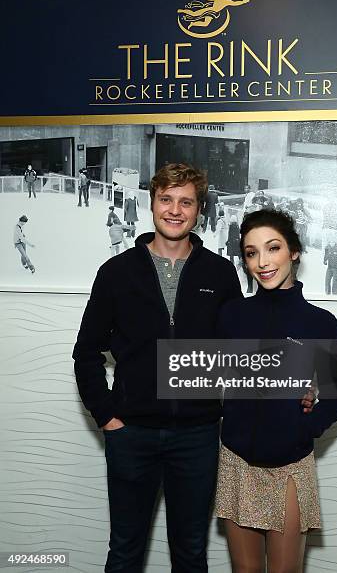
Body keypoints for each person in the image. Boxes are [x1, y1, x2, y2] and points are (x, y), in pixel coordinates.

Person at [72, 163, 243, 573]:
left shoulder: (219, 273)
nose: (175, 210)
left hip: (198, 435)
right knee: (126, 550)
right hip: (131, 434)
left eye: (186, 202)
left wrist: (302, 377)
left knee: (190, 553)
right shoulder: (116, 272)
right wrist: (108, 416)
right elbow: (86, 353)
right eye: (166, 199)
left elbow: (241, 353)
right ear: (151, 203)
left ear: (199, 210)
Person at [215, 208, 337, 573]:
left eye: (272, 248)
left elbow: (335, 402)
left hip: (290, 466)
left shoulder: (320, 323)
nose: (262, 261)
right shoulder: (231, 315)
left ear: (294, 252)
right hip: (236, 461)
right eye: (252, 253)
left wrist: (298, 428)